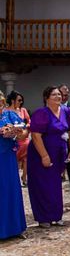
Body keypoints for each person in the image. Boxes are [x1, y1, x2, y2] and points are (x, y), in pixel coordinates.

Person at [27, 86, 70, 228]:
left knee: (55, 185)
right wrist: (44, 156)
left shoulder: (67, 111)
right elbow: (36, 136)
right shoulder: (41, 113)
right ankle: (43, 217)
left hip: (59, 152)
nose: (58, 97)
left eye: (59, 94)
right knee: (42, 185)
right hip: (40, 153)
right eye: (54, 94)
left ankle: (56, 215)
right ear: (46, 98)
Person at [0, 90, 28, 240]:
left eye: (1, 102)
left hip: (8, 158)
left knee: (10, 189)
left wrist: (16, 132)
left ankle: (14, 228)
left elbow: (24, 131)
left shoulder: (9, 115)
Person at [6, 91, 30, 186]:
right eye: (19, 100)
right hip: (14, 139)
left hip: (24, 137)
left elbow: (29, 121)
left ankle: (24, 178)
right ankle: (15, 179)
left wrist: (26, 126)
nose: (21, 102)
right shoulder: (6, 111)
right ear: (13, 100)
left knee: (26, 159)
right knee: (14, 160)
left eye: (22, 100)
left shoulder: (23, 110)